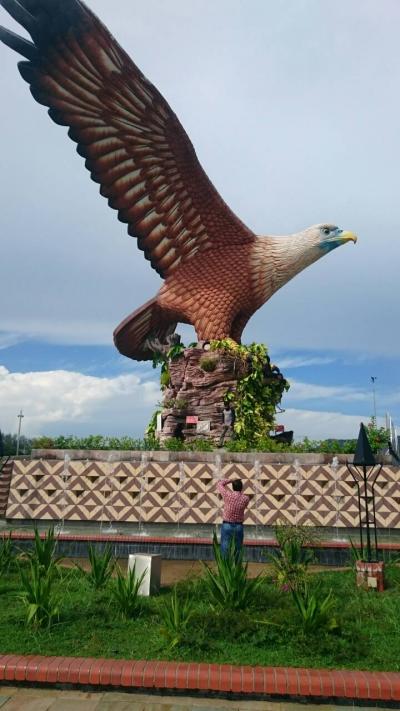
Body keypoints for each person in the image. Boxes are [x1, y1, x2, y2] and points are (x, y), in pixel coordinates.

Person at [217, 478, 250, 560]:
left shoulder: (227, 495)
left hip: (227, 525)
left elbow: (219, 484)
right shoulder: (245, 498)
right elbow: (245, 506)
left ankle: (225, 567)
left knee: (225, 547)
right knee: (238, 548)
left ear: (233, 487)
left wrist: (231, 480)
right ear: (241, 488)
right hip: (239, 526)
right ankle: (236, 567)